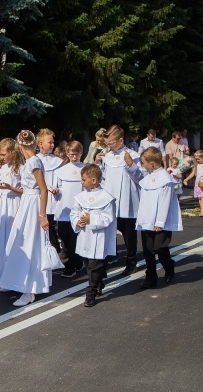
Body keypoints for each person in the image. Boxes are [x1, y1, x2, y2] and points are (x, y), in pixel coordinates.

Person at [0, 130, 60, 306]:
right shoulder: (29, 162)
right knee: (19, 243)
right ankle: (15, 280)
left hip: (34, 206)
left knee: (31, 245)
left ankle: (30, 289)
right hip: (27, 204)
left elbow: (43, 189)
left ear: (19, 145)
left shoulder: (34, 162)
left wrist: (42, 215)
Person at [98, 125, 143, 275]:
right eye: (107, 144)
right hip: (111, 199)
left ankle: (131, 261)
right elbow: (103, 178)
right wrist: (97, 163)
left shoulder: (133, 155)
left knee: (128, 233)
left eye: (111, 143)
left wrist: (130, 164)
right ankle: (108, 259)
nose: (108, 146)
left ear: (121, 140)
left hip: (127, 200)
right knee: (109, 231)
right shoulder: (107, 157)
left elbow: (140, 179)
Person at [136, 147, 183, 289]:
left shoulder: (165, 179)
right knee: (148, 250)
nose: (142, 165)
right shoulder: (147, 178)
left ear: (152, 163)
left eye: (143, 162)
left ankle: (169, 266)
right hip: (147, 220)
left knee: (160, 248)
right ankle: (150, 277)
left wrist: (160, 222)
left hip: (160, 222)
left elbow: (165, 202)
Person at [71, 164, 116, 307]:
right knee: (88, 264)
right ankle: (99, 281)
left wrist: (92, 219)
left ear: (94, 180)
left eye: (84, 180)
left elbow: (109, 218)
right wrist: (78, 221)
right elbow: (73, 212)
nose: (81, 182)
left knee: (94, 266)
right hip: (85, 236)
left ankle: (91, 293)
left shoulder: (107, 198)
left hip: (99, 237)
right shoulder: (80, 197)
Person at [0, 139, 22, 281]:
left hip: (16, 203)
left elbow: (25, 190)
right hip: (4, 204)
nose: (1, 157)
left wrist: (10, 188)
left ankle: (15, 272)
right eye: (0, 154)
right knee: (2, 235)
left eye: (3, 154)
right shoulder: (1, 169)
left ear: (13, 153)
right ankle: (3, 272)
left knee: (13, 236)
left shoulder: (20, 168)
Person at [54, 141, 85, 278]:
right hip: (64, 207)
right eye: (71, 154)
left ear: (81, 154)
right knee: (63, 234)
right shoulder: (61, 170)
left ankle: (71, 265)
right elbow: (59, 187)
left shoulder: (85, 169)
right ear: (67, 154)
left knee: (73, 239)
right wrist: (56, 191)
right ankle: (77, 260)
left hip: (77, 208)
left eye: (76, 154)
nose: (74, 157)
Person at [37, 128, 64, 250]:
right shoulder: (34, 160)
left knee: (53, 225)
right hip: (40, 197)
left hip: (55, 198)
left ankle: (56, 248)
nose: (52, 145)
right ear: (40, 144)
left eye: (53, 142)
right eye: (50, 142)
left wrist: (58, 188)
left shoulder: (58, 161)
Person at [183, 150, 203, 216]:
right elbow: (193, 173)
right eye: (196, 159)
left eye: (198, 159)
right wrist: (186, 179)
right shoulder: (197, 165)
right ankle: (202, 209)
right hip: (198, 183)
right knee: (200, 197)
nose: (197, 160)